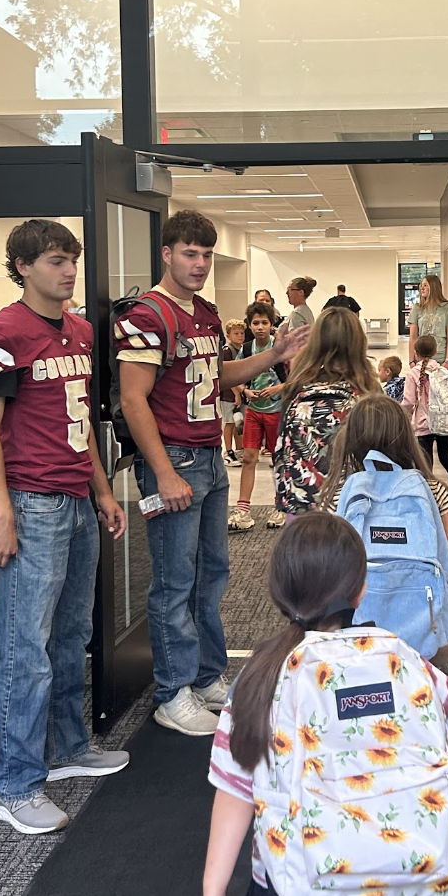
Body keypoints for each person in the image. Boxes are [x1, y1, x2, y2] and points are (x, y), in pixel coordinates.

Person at [203, 514, 448, 896]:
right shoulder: (404, 659)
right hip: (412, 875)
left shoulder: (261, 678)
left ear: (279, 593)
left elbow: (236, 786)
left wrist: (213, 889)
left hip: (292, 879)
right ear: (361, 590)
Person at [116, 211, 311, 736]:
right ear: (167, 254)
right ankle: (172, 689)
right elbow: (134, 400)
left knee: (212, 575)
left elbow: (220, 377)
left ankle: (204, 675)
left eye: (206, 254)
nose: (200, 264)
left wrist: (274, 353)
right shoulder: (147, 314)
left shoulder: (203, 311)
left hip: (205, 454)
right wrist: (162, 471)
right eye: (189, 254)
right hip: (173, 458)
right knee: (175, 580)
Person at [0, 219, 128, 835]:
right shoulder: (1, 334)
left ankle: (65, 748)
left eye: (72, 260)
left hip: (75, 497)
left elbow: (79, 421)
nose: (68, 271)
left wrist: (103, 491)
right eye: (56, 260)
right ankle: (13, 784)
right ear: (23, 266)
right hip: (29, 503)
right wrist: (1, 513)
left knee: (70, 634)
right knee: (22, 649)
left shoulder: (82, 330)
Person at [319, 392, 448, 690]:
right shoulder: (432, 491)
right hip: (430, 638)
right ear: (405, 436)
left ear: (351, 438)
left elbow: (322, 576)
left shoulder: (336, 496)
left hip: (359, 637)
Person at [274, 306, 380, 517]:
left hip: (303, 504)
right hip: (355, 505)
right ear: (358, 342)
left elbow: (281, 449)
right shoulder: (370, 392)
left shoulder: (296, 388)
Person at [229, 301, 287, 532]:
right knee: (249, 458)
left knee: (277, 460)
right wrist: (244, 390)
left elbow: (297, 378)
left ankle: (280, 506)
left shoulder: (281, 349)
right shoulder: (246, 349)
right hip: (254, 411)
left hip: (276, 412)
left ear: (271, 325)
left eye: (264, 323)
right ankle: (243, 509)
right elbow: (235, 376)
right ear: (249, 325)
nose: (260, 327)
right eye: (256, 323)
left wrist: (277, 389)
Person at [404, 335, 448, 510]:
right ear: (436, 352)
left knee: (426, 463)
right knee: (445, 457)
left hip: (422, 425)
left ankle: (429, 498)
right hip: (443, 423)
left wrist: (405, 420)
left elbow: (409, 402)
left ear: (416, 353)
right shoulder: (443, 372)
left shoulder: (412, 374)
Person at [408, 273, 448, 367]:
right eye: (421, 286)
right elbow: (413, 337)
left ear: (434, 287)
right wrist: (411, 361)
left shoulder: (447, 307)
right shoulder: (417, 308)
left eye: (425, 285)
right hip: (421, 359)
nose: (422, 288)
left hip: (441, 359)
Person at [220, 318, 246, 468]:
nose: (240, 336)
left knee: (239, 423)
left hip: (240, 393)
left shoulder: (242, 350)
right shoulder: (227, 351)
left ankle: (239, 449)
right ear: (229, 335)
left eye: (242, 333)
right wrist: (236, 392)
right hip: (229, 394)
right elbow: (226, 374)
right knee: (229, 422)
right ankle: (228, 451)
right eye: (236, 333)